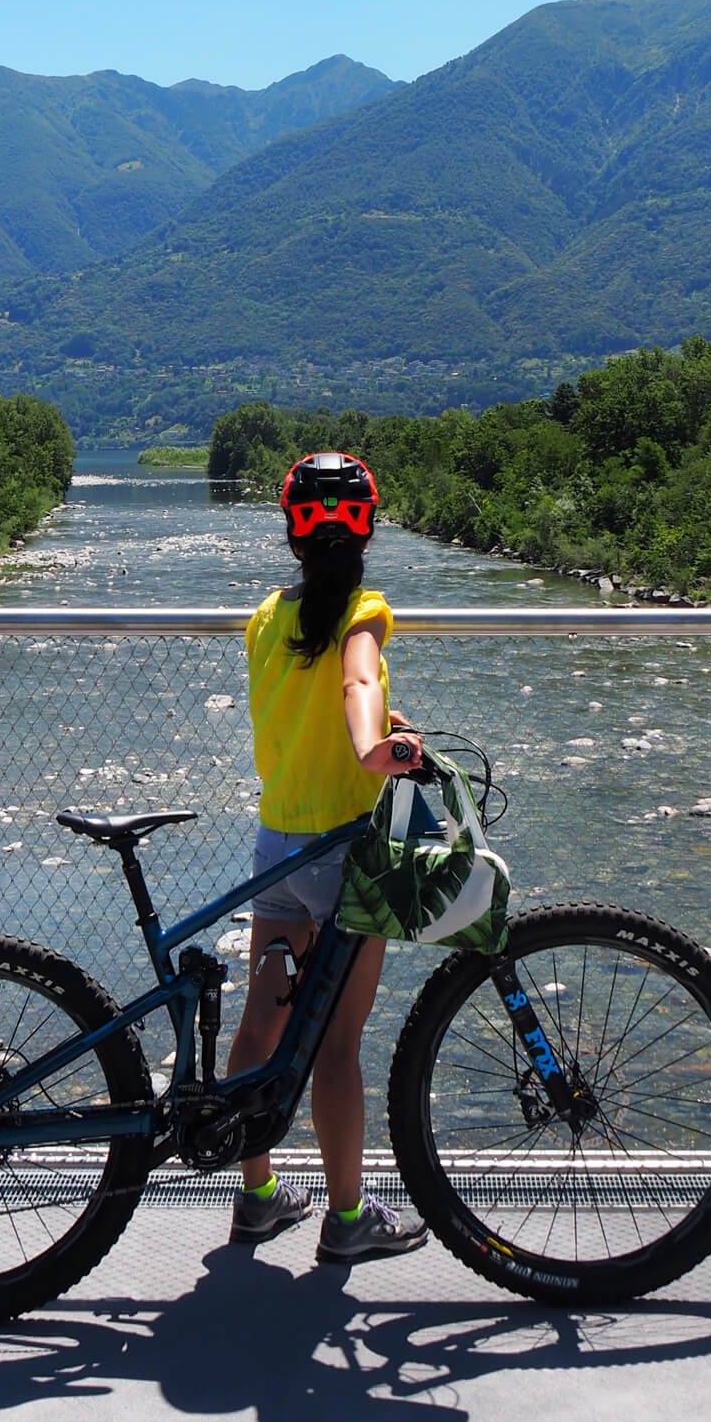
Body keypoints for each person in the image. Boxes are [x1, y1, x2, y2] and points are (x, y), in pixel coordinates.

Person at [225, 450, 430, 1263]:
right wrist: (376, 748)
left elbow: (315, 697)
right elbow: (352, 684)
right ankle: (347, 1222)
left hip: (276, 844)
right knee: (338, 1046)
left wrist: (382, 717)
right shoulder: (367, 609)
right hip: (343, 854)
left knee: (261, 1027)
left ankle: (257, 1197)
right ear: (368, 526)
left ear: (292, 532)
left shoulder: (268, 615)